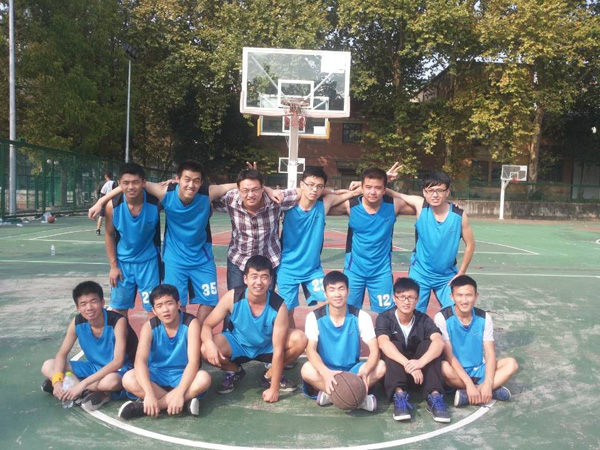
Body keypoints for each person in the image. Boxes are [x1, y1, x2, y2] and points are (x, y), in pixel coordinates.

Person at [89, 160, 236, 324]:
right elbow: (129, 186)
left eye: (196, 180)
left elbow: (236, 185)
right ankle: (176, 335)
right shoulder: (162, 194)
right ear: (178, 179)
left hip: (196, 259)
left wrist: (259, 183)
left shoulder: (203, 194)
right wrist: (100, 202)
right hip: (167, 260)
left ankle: (195, 333)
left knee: (208, 302)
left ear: (201, 182)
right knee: (172, 304)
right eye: (186, 179)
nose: (191, 185)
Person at [201, 255, 307, 403]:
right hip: (238, 344)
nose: (259, 282)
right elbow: (207, 325)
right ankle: (235, 370)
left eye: (264, 277)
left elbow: (278, 350)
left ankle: (270, 374)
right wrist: (210, 344)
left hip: (267, 346)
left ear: (270, 280)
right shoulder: (233, 297)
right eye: (254, 277)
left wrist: (274, 389)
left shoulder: (279, 306)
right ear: (245, 279)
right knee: (205, 349)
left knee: (300, 339)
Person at [277, 167, 360, 328]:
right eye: (310, 185)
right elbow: (273, 194)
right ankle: (292, 339)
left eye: (319, 186)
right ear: (302, 184)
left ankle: (325, 339)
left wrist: (383, 178)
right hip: (287, 268)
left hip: (313, 270)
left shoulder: (324, 204)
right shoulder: (288, 206)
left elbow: (353, 193)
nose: (314, 190)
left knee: (328, 303)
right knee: (287, 312)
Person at [40, 281, 138, 411]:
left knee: (112, 381)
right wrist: (57, 381)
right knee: (48, 365)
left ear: (102, 302)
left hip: (119, 370)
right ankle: (88, 390)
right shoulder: (77, 322)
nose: (89, 307)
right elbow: (62, 354)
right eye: (83, 304)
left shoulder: (117, 321)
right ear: (78, 308)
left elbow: (117, 362)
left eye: (93, 301)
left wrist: (83, 384)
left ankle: (77, 387)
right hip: (94, 367)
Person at [118, 284, 211, 420]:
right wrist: (149, 393)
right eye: (159, 306)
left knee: (204, 378)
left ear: (178, 304)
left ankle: (150, 407)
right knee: (128, 378)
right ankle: (183, 404)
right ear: (154, 310)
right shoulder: (149, 327)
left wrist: (179, 393)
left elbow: (194, 362)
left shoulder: (191, 323)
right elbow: (140, 362)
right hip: (156, 375)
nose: (165, 310)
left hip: (182, 376)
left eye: (169, 303)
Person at [388, 170, 475, 313]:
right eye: (430, 190)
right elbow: (390, 193)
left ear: (447, 192)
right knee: (413, 312)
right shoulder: (420, 205)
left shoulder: (458, 215)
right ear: (424, 192)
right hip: (420, 273)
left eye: (440, 190)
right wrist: (383, 179)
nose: (435, 195)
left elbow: (470, 244)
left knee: (456, 311)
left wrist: (462, 271)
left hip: (446, 276)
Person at [331, 167, 415, 313]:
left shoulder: (393, 205)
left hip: (381, 272)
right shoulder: (351, 205)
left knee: (386, 314)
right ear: (361, 188)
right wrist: (353, 191)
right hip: (354, 271)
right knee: (348, 313)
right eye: (368, 187)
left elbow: (423, 204)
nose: (373, 192)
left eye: (378, 188)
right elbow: (321, 201)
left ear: (385, 189)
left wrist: (451, 206)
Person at [300, 271, 385, 412]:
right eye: (332, 290)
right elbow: (310, 350)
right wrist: (325, 372)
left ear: (348, 291)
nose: (337, 294)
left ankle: (332, 394)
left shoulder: (361, 316)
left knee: (381, 366)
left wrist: (366, 370)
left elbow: (375, 350)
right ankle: (358, 398)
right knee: (306, 369)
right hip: (326, 369)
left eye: (341, 289)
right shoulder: (314, 317)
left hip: (353, 370)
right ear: (325, 293)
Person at [434, 275, 519, 407]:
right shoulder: (442, 318)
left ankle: (471, 394)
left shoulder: (484, 317)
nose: (464, 300)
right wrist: (468, 383)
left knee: (511, 364)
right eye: (459, 295)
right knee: (443, 367)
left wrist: (488, 384)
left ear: (476, 296)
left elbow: (490, 353)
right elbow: (449, 355)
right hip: (456, 371)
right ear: (452, 297)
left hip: (479, 369)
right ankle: (486, 391)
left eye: (469, 295)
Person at [375, 277, 450, 423]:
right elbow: (383, 343)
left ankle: (434, 396)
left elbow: (439, 342)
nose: (406, 301)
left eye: (411, 297)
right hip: (395, 374)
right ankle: (399, 396)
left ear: (417, 300)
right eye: (402, 297)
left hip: (420, 375)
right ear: (394, 298)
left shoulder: (423, 319)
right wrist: (407, 364)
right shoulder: (384, 318)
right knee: (392, 345)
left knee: (429, 344)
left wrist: (420, 363)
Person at [212, 167, 299, 291]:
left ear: (263, 188)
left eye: (255, 189)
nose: (250, 195)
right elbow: (207, 192)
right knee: (237, 300)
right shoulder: (230, 199)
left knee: (265, 300)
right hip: (239, 260)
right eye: (245, 190)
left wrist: (328, 192)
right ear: (238, 190)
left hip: (268, 259)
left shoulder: (276, 199)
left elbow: (304, 191)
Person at [99, 163, 161, 317]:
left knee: (154, 310)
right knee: (119, 311)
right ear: (119, 184)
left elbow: (178, 195)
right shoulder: (112, 206)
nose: (131, 187)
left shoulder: (156, 202)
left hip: (149, 264)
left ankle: (153, 335)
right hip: (123, 264)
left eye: (135, 182)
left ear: (144, 183)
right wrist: (113, 266)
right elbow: (109, 234)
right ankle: (124, 335)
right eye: (126, 183)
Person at [95, 171, 117, 235]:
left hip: (103, 201)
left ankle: (98, 230)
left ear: (105, 176)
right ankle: (113, 230)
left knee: (101, 216)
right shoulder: (114, 183)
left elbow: (98, 192)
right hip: (111, 201)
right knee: (113, 216)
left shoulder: (101, 183)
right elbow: (116, 192)